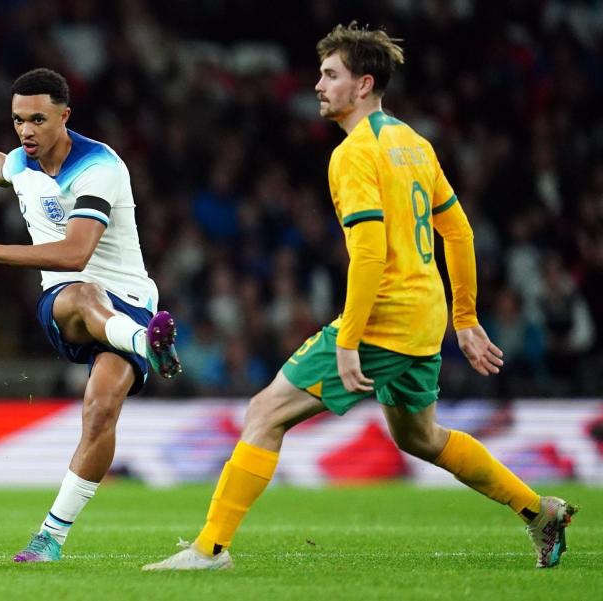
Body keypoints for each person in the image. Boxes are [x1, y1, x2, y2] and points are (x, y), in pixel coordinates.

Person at [143, 23, 576, 572]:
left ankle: (209, 549)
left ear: (364, 84)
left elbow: (369, 255)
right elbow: (459, 232)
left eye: (330, 75)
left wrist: (349, 341)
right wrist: (463, 316)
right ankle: (540, 511)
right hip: (425, 318)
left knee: (265, 411)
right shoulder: (414, 143)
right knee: (421, 437)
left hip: (383, 318)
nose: (318, 85)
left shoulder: (353, 154)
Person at [0, 68, 181, 563]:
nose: (26, 131)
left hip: (129, 300)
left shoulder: (100, 167)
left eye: (38, 119)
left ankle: (50, 537)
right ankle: (147, 344)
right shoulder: (23, 159)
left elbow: (77, 249)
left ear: (65, 116)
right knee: (81, 293)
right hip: (66, 302)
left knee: (100, 413)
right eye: (18, 120)